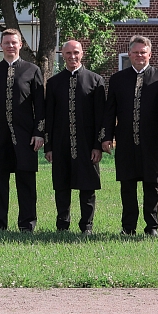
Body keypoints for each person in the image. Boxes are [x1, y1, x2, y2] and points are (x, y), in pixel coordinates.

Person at [102, 36, 158, 237]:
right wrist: (106, 136)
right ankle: (128, 227)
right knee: (127, 185)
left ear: (150, 54)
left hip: (152, 142)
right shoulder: (117, 79)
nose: (139, 56)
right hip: (125, 140)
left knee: (152, 185)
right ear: (129, 54)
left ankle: (152, 227)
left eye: (143, 52)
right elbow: (110, 111)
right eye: (135, 52)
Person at [0, 28, 45, 232]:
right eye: (6, 42)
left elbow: (40, 106)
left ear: (20, 45)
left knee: (26, 182)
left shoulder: (32, 70)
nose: (10, 46)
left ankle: (27, 224)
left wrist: (39, 132)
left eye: (14, 42)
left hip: (25, 136)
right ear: (1, 45)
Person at [43, 40, 106, 235]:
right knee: (62, 186)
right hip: (61, 142)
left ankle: (86, 226)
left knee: (87, 186)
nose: (72, 56)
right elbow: (49, 117)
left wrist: (97, 145)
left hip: (87, 143)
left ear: (82, 53)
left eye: (76, 52)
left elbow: (101, 117)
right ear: (62, 55)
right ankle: (62, 225)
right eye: (68, 53)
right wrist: (48, 146)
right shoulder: (54, 83)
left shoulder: (95, 80)